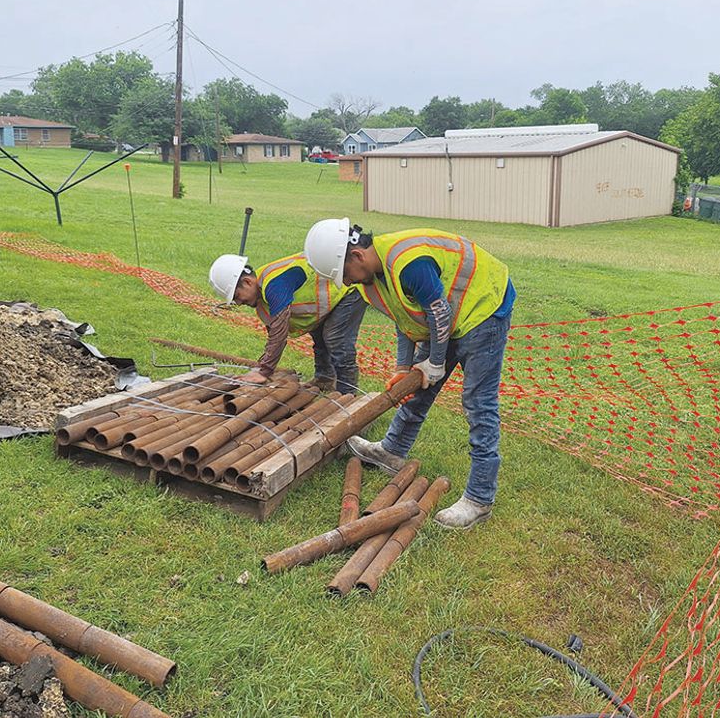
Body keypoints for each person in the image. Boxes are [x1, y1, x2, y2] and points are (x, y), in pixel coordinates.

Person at [303, 218, 515, 529]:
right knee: (416, 389)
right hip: (448, 313)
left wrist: (436, 361)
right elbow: (406, 318)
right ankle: (392, 451)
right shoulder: (371, 281)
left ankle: (480, 498)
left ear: (357, 256)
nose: (346, 283)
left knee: (478, 403)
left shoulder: (409, 262)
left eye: (344, 274)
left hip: (482, 307)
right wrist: (405, 368)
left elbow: (439, 311)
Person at [208, 252, 366, 391]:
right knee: (319, 335)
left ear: (248, 282)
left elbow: (279, 330)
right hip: (329, 302)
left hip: (346, 291)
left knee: (335, 338)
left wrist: (264, 371)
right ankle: (324, 379)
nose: (239, 303)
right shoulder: (261, 300)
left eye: (237, 296)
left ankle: (347, 393)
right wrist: (261, 367)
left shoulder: (274, 284)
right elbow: (273, 338)